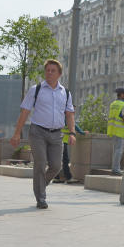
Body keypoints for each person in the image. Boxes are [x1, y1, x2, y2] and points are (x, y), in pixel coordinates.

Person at [10, 59, 75, 209]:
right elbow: (25, 111)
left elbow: (70, 114)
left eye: (53, 71)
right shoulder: (36, 89)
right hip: (37, 132)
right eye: (47, 70)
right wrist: (17, 133)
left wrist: (72, 133)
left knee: (56, 166)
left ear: (59, 74)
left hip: (57, 134)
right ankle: (41, 198)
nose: (49, 73)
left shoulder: (65, 92)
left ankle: (40, 185)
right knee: (40, 163)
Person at [108, 87, 124, 175]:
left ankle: (114, 168)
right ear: (122, 94)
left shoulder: (113, 104)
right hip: (120, 132)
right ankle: (116, 169)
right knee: (119, 151)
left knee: (115, 151)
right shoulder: (123, 105)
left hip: (113, 131)